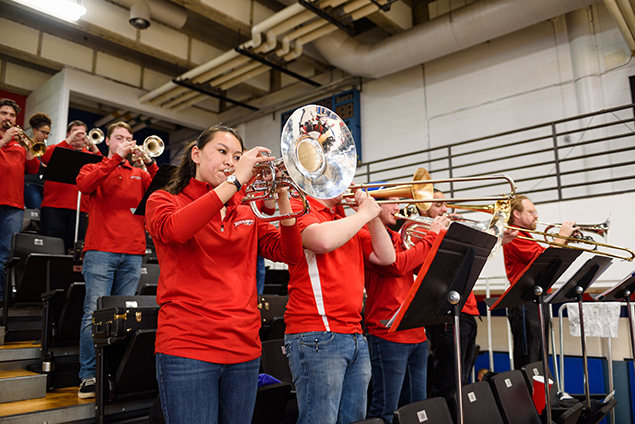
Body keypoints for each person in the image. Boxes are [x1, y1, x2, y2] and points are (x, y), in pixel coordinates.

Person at [145, 124, 303, 424]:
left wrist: (283, 196)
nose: (231, 161)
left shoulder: (246, 211)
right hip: (188, 347)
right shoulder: (163, 200)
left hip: (244, 348)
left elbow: (291, 255)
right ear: (196, 154)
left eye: (237, 156)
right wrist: (237, 179)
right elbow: (177, 230)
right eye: (222, 152)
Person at [283, 188, 396, 424]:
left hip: (353, 334)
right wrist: (363, 215)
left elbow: (386, 257)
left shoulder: (345, 220)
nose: (349, 184)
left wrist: (372, 215)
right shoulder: (299, 205)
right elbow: (321, 241)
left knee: (354, 419)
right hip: (317, 333)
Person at [76, 121, 158, 398]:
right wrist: (116, 159)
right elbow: (85, 185)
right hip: (100, 250)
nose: (126, 141)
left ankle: (115, 372)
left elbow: (163, 190)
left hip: (133, 252)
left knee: (125, 318)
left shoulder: (139, 173)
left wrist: (150, 164)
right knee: (93, 313)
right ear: (109, 141)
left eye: (129, 138)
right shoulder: (95, 166)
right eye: (119, 138)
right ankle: (88, 375)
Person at [364, 196, 449, 424]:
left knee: (417, 409)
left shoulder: (400, 237)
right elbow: (396, 266)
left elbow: (424, 269)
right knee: (384, 408)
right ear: (374, 205)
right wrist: (431, 236)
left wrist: (444, 240)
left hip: (415, 332)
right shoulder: (366, 234)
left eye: (398, 201)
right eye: (391, 202)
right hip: (387, 334)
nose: (397, 207)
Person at [502, 195, 577, 369]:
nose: (536, 216)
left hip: (537, 299)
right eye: (532, 212)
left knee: (540, 357)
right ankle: (527, 395)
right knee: (529, 360)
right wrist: (562, 236)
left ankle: (540, 395)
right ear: (517, 214)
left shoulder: (527, 235)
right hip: (524, 301)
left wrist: (564, 240)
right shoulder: (515, 234)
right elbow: (545, 260)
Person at [422, 189, 480, 400]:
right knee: (448, 383)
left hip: (467, 310)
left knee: (461, 383)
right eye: (438, 205)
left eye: (445, 204)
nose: (445, 209)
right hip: (446, 313)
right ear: (423, 208)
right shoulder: (423, 234)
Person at [40, 120, 102, 253]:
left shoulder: (90, 155)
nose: (79, 136)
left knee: (74, 251)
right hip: (54, 206)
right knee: (50, 248)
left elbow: (103, 169)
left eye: (82, 133)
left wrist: (94, 148)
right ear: (68, 134)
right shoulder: (58, 149)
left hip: (81, 208)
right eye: (76, 132)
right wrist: (68, 141)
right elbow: (44, 157)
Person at [0, 98, 39, 303]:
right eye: (4, 113)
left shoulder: (19, 144)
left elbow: (33, 169)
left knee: (7, 255)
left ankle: (2, 298)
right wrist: (4, 140)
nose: (8, 118)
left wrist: (30, 148)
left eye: (12, 115)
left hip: (14, 205)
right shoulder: (6, 141)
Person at [23, 112, 50, 210]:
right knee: (36, 210)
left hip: (42, 184)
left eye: (47, 133)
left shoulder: (45, 148)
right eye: (43, 132)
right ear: (35, 130)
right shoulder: (25, 144)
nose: (46, 136)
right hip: (30, 182)